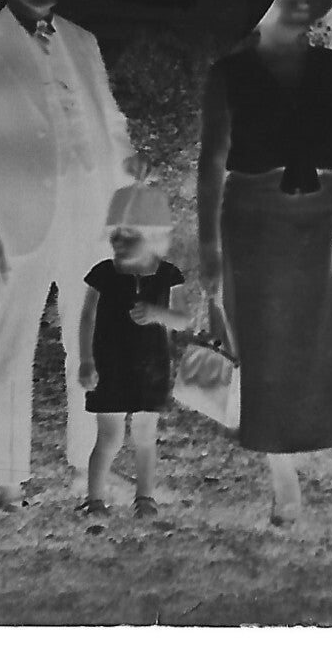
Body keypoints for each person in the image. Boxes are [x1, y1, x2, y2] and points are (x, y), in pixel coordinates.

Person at [0, 0, 144, 512]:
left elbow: (111, 123)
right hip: (17, 221)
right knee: (11, 349)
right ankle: (7, 482)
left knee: (94, 347)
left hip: (92, 218)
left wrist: (126, 184)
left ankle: (89, 472)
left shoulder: (82, 41)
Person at [196, 0, 332, 524]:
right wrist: (208, 248)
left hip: (326, 215)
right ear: (264, 1)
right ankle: (285, 490)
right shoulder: (230, 73)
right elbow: (212, 160)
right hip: (254, 220)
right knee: (267, 349)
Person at [76, 183, 190, 519]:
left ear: (153, 236)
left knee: (144, 435)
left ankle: (145, 497)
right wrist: (85, 360)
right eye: (115, 233)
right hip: (108, 367)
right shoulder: (102, 274)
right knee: (108, 438)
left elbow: (183, 319)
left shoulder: (169, 275)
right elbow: (87, 317)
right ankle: (94, 498)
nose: (118, 241)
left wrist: (157, 314)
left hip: (150, 367)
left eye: (129, 234)